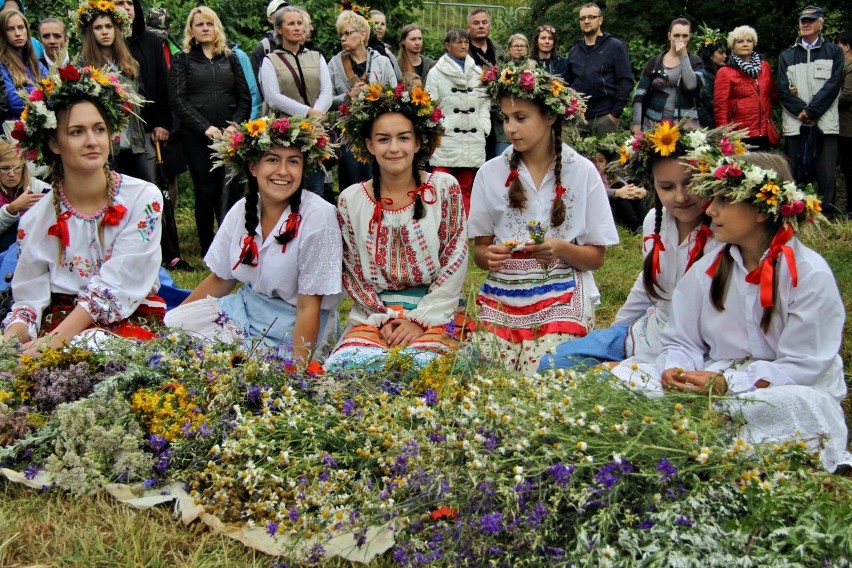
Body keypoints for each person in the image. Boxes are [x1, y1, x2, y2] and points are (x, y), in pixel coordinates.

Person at [610, 151, 850, 472]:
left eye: (724, 200)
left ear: (762, 211)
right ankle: (708, 444)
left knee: (802, 407)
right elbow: (682, 340)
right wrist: (678, 372)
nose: (710, 209)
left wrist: (727, 384)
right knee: (623, 379)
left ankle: (719, 449)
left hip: (786, 387)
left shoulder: (808, 274)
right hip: (715, 380)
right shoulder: (707, 270)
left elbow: (803, 365)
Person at [538, 124, 737, 371]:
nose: (681, 196)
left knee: (598, 382)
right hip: (648, 330)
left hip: (697, 349)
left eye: (690, 184)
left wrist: (623, 365)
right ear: (651, 185)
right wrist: (614, 334)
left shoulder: (726, 233)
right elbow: (648, 281)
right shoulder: (655, 221)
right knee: (552, 364)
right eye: (667, 187)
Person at [470, 62, 618, 374]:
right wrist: (490, 256)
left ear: (550, 117)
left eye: (521, 118)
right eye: (506, 118)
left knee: (545, 371)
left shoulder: (582, 171)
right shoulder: (491, 172)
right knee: (488, 376)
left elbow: (596, 257)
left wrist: (561, 249)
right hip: (503, 291)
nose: (510, 128)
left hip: (562, 286)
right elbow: (480, 252)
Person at [2, 64, 163, 351]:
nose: (92, 141)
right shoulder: (36, 220)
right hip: (58, 323)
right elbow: (28, 300)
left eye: (99, 129)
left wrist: (50, 345)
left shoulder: (143, 198)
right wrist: (9, 347)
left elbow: (118, 285)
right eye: (76, 132)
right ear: (54, 142)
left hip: (126, 321)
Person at [164, 114, 342, 362]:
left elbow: (308, 306)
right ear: (253, 166)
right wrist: (172, 326)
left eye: (293, 161)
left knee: (250, 376)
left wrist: (298, 370)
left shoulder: (319, 218)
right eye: (272, 159)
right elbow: (221, 279)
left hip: (293, 326)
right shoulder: (243, 209)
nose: (283, 171)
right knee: (177, 339)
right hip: (245, 312)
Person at [325, 82, 468, 370]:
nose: (394, 148)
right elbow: (352, 271)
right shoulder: (351, 200)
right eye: (383, 139)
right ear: (368, 145)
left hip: (435, 310)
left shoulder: (443, 188)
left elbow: (455, 260)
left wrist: (419, 320)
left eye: (403, 138)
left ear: (417, 143)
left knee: (427, 370)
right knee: (348, 370)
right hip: (374, 315)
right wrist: (385, 317)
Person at [169, 6, 251, 256]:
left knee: (231, 192)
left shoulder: (231, 58)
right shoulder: (182, 59)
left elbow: (244, 97)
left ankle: (230, 246)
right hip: (196, 137)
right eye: (199, 24)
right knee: (206, 190)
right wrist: (205, 127)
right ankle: (208, 247)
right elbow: (178, 99)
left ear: (216, 27)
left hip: (229, 136)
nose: (205, 28)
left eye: (209, 23)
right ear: (191, 30)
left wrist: (234, 125)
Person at [777, 5, 844, 219]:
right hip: (796, 124)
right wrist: (802, 112)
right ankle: (797, 214)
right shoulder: (786, 55)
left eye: (810, 20)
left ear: (821, 24)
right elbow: (782, 90)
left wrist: (813, 111)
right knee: (795, 171)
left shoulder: (834, 51)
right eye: (802, 21)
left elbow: (834, 85)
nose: (805, 24)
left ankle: (826, 215)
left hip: (825, 123)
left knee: (826, 173)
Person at [259, 5, 331, 197]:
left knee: (315, 186)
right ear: (279, 29)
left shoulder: (316, 57)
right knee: (289, 185)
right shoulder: (270, 60)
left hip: (314, 131)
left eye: (300, 23)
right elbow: (273, 98)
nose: (298, 27)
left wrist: (315, 118)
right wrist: (307, 112)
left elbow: (326, 92)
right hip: (285, 132)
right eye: (291, 24)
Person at [75, 0, 149, 182]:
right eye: (98, 28)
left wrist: (132, 100)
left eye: (109, 26)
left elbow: (141, 95)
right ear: (91, 32)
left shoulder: (130, 63)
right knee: (108, 189)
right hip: (105, 142)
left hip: (133, 140)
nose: (105, 31)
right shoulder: (83, 64)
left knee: (146, 188)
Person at [328, 8, 395, 192]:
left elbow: (395, 95)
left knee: (380, 183)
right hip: (349, 134)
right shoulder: (334, 63)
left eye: (348, 33)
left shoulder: (382, 61)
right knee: (353, 186)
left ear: (363, 35)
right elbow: (327, 102)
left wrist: (376, 94)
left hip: (379, 131)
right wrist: (348, 96)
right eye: (341, 34)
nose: (343, 38)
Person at [424, 28, 490, 216]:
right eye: (458, 42)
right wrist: (440, 127)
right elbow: (430, 105)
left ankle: (464, 225)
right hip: (446, 136)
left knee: (466, 185)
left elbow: (484, 102)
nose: (463, 46)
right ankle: (438, 221)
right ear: (447, 46)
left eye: (466, 42)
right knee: (439, 183)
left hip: (472, 134)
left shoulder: (477, 71)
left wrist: (483, 125)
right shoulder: (435, 72)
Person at [565, 4, 633, 136]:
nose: (586, 21)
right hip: (578, 119)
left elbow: (625, 82)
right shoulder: (574, 51)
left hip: (604, 117)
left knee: (607, 157)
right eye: (582, 18)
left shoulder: (615, 46)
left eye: (591, 17)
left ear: (600, 20)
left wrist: (614, 115)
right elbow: (569, 83)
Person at [632, 18, 704, 132]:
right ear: (669, 35)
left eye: (685, 36)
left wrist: (684, 57)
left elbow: (691, 86)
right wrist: (636, 123)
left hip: (686, 126)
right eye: (676, 35)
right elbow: (639, 94)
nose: (680, 39)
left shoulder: (696, 62)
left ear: (689, 36)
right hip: (653, 124)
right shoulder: (655, 62)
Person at [714, 26, 778, 150]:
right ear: (732, 46)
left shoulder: (765, 67)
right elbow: (720, 107)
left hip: (763, 132)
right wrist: (724, 135)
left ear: (754, 44)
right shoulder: (725, 72)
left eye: (749, 41)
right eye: (740, 41)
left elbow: (772, 95)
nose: (745, 44)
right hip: (739, 135)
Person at [467, 8, 505, 161]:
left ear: (489, 25)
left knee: (496, 158)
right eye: (476, 23)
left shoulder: (501, 52)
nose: (481, 26)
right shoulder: (463, 51)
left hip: (497, 114)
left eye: (484, 22)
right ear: (469, 27)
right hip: (472, 111)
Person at [0, 139, 48, 251]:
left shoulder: (35, 186)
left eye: (16, 167)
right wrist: (11, 209)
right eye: (5, 168)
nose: (11, 174)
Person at [0, 10, 46, 122]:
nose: (17, 33)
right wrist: (42, 92)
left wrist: (26, 91)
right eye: (10, 29)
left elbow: (54, 91)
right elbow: (13, 101)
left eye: (21, 27)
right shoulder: (1, 64)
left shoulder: (36, 63)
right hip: (13, 130)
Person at [593, 144, 646, 233]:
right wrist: (616, 192)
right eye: (594, 162)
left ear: (607, 163)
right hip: (605, 207)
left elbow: (625, 187)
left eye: (601, 161)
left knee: (623, 186)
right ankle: (634, 225)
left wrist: (635, 191)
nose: (597, 164)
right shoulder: (591, 178)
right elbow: (596, 192)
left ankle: (646, 221)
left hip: (621, 203)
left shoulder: (612, 176)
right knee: (618, 187)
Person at [693, 25, 727, 128]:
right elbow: (709, 101)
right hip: (707, 122)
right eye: (721, 53)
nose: (725, 56)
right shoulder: (704, 74)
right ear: (710, 55)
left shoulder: (716, 72)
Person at [250, 0, 289, 81]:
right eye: (279, 12)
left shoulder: (299, 42)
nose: (284, 14)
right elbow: (257, 80)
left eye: (286, 10)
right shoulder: (263, 48)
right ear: (270, 19)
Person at [839, 32, 852, 217]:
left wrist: (826, 102)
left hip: (849, 127)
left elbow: (848, 94)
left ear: (847, 46)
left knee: (849, 168)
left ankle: (850, 208)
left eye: (839, 46)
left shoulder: (850, 66)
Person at [368, 10, 401, 80]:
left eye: (383, 24)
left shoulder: (386, 47)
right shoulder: (365, 47)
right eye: (376, 23)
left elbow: (397, 76)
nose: (380, 27)